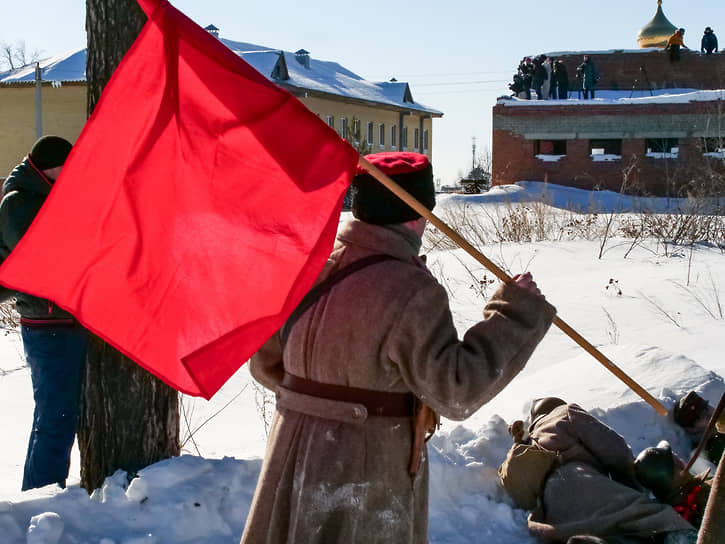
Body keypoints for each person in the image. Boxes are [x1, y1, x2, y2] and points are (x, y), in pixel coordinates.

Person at [240, 151, 557, 543]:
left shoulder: (308, 266)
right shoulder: (411, 290)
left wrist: (317, 407)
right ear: (416, 213)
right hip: (365, 470)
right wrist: (516, 313)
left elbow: (265, 364)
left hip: (289, 456)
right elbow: (456, 390)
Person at [0, 136, 89, 491]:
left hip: (65, 318)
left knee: (58, 414)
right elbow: (39, 262)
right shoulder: (18, 203)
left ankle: (42, 494)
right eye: (67, 167)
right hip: (46, 322)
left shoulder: (46, 194)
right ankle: (42, 496)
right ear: (50, 166)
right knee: (56, 416)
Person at [505, 398, 696, 544]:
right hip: (579, 479)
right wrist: (633, 484)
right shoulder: (564, 413)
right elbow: (613, 448)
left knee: (606, 529)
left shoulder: (526, 450)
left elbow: (523, 498)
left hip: (550, 511)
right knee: (651, 517)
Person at [635, 440, 713, 532]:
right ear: (678, 468)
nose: (677, 457)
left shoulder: (670, 522)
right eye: (674, 456)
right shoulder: (711, 491)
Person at [672, 390, 724, 466]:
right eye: (701, 416)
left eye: (706, 407)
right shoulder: (712, 448)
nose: (708, 413)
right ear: (691, 429)